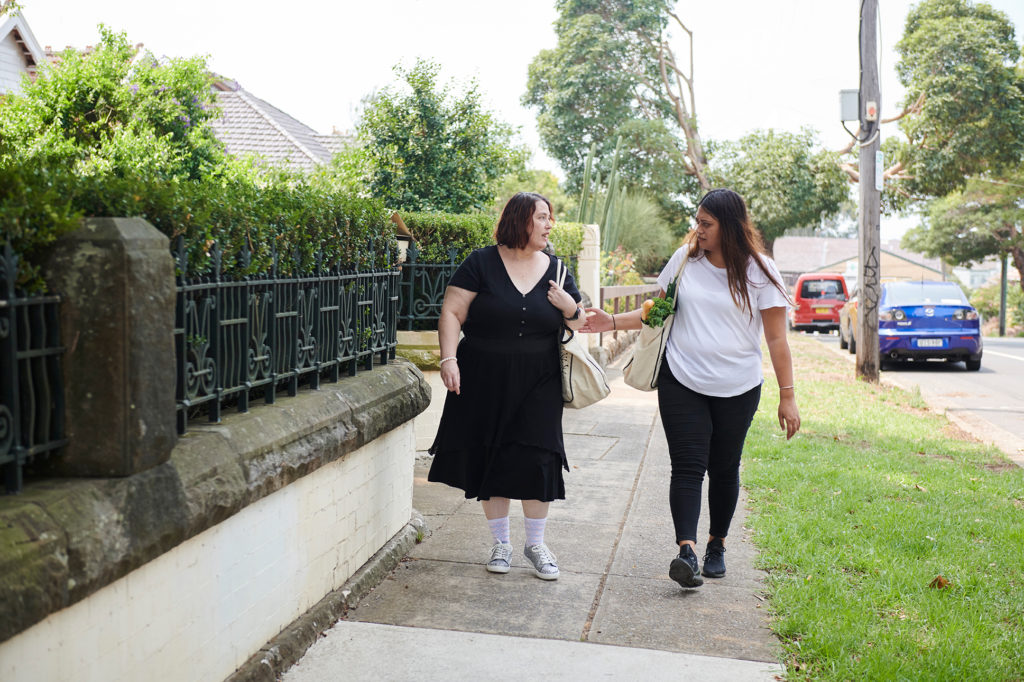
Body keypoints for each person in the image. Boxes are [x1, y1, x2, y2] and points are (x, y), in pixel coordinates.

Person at [579, 188, 800, 588]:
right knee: (686, 466)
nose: (698, 229)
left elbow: (777, 340)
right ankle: (687, 551)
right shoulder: (684, 261)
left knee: (724, 466)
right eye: (697, 221)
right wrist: (609, 322)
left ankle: (717, 543)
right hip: (682, 379)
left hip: (739, 386)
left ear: (729, 227)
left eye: (707, 223)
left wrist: (788, 395)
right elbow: (657, 311)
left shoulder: (760, 271)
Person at [428, 192, 586, 580]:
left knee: (538, 456)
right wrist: (449, 359)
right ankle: (501, 543)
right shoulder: (480, 263)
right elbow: (452, 311)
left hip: (540, 380)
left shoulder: (558, 270)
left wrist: (570, 307)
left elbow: (579, 323)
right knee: (491, 455)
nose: (550, 225)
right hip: (483, 376)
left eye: (550, 218)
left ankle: (536, 544)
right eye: (543, 217)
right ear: (520, 220)